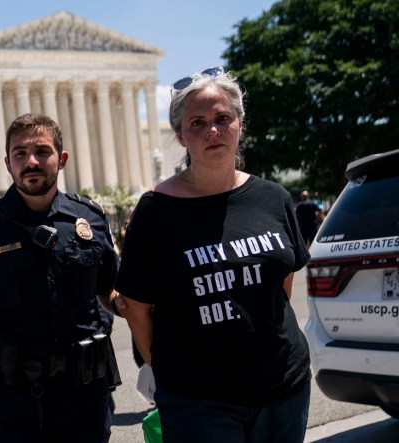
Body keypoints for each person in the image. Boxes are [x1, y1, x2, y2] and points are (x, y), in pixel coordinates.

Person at [111, 68, 311, 443]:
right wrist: (163, 367)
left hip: (284, 386)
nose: (212, 131)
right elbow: (134, 303)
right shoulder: (156, 211)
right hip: (198, 401)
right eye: (198, 122)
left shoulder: (274, 198)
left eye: (222, 118)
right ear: (180, 135)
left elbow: (280, 285)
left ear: (239, 123)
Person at [0, 113, 120, 442]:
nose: (31, 161)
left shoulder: (90, 219)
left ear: (61, 159)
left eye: (42, 152)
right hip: (17, 402)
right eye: (20, 154)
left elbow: (112, 291)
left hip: (87, 396)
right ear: (8, 163)